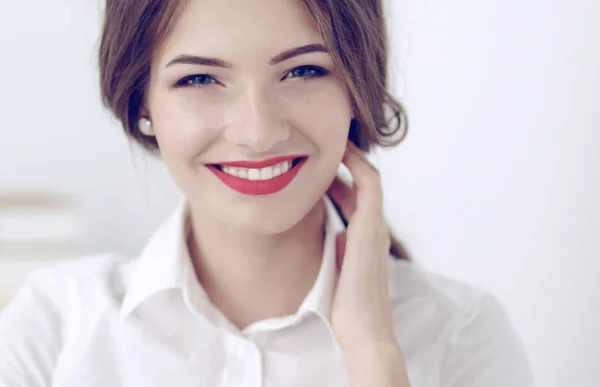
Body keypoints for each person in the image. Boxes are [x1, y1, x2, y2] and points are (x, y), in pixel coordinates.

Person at [0, 0, 534, 386]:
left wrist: (375, 356)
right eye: (201, 80)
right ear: (143, 104)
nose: (258, 132)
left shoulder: (460, 334)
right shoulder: (54, 327)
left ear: (356, 91)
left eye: (303, 70)